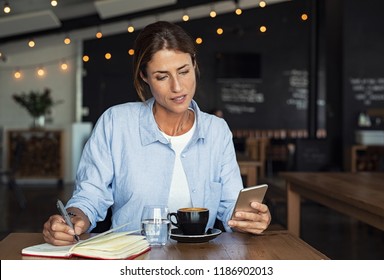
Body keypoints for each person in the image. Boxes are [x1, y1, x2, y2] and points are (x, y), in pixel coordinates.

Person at [43, 21, 271, 246]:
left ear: (194, 63)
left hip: (200, 258)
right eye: (162, 76)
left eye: (184, 71)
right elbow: (89, 196)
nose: (178, 87)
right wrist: (72, 220)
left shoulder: (216, 130)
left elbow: (232, 205)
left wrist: (252, 219)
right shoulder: (116, 122)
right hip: (131, 259)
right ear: (144, 76)